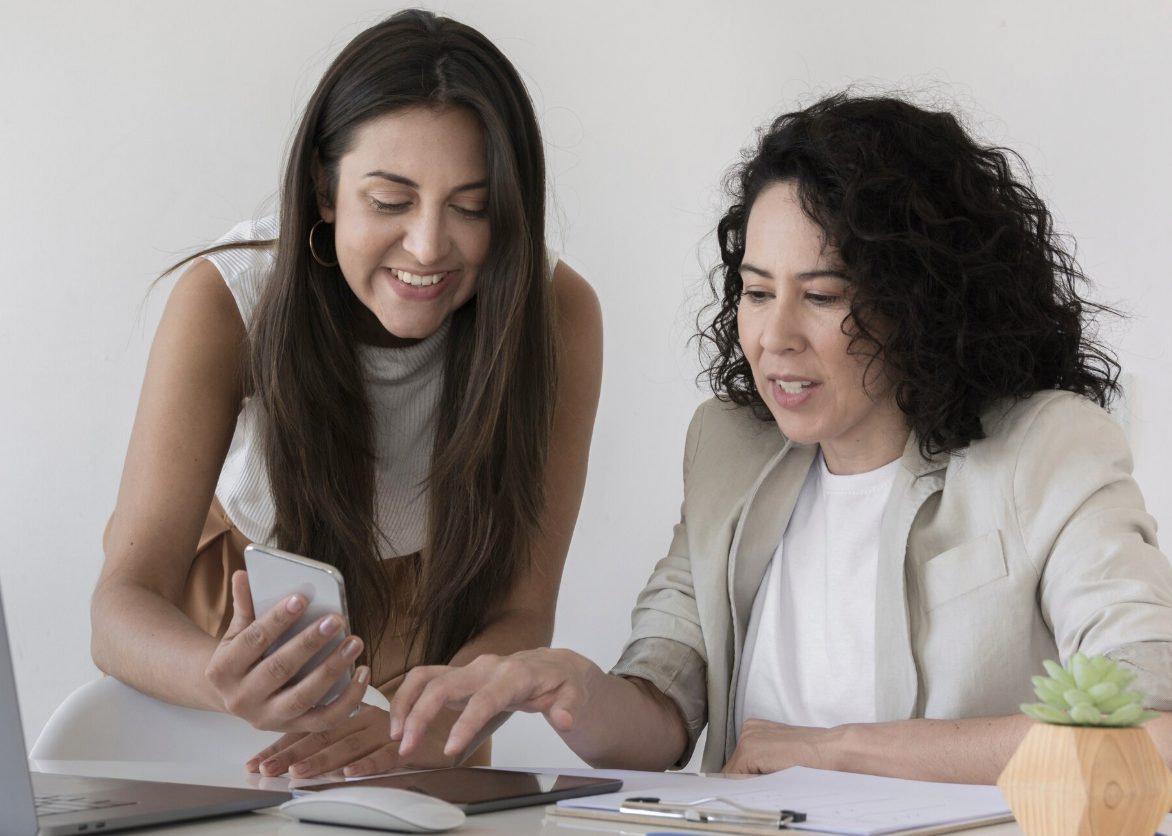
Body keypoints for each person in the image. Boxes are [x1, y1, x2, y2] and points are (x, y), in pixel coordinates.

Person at [384, 93, 1172, 783]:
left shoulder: (1049, 452)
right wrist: (565, 687)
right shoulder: (730, 448)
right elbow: (659, 719)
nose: (775, 336)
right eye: (757, 292)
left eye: (822, 295)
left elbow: (1155, 732)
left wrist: (833, 752)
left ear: (923, 302)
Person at [89, 9, 602, 780]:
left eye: (471, 206)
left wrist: (444, 718)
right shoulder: (229, 299)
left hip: (441, 669)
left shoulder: (558, 314)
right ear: (325, 190)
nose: (429, 246)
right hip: (235, 629)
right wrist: (218, 680)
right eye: (390, 201)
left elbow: (523, 611)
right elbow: (119, 608)